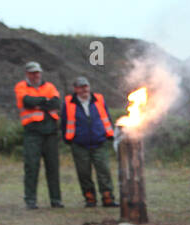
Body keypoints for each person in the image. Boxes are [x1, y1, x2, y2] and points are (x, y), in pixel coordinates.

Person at [15, 61, 62, 209]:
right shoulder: (21, 86)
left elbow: (56, 103)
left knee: (53, 167)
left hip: (50, 132)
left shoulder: (50, 86)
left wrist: (39, 103)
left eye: (37, 72)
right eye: (32, 73)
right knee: (31, 167)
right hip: (32, 133)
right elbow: (26, 101)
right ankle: (30, 200)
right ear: (27, 74)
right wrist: (44, 101)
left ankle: (56, 200)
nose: (36, 75)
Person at [63, 76, 116, 208]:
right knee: (84, 173)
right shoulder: (69, 102)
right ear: (75, 89)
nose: (84, 89)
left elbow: (106, 118)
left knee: (104, 171)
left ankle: (108, 198)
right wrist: (68, 138)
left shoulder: (99, 99)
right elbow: (64, 122)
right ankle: (89, 199)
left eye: (86, 86)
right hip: (79, 144)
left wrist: (110, 134)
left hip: (99, 142)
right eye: (81, 87)